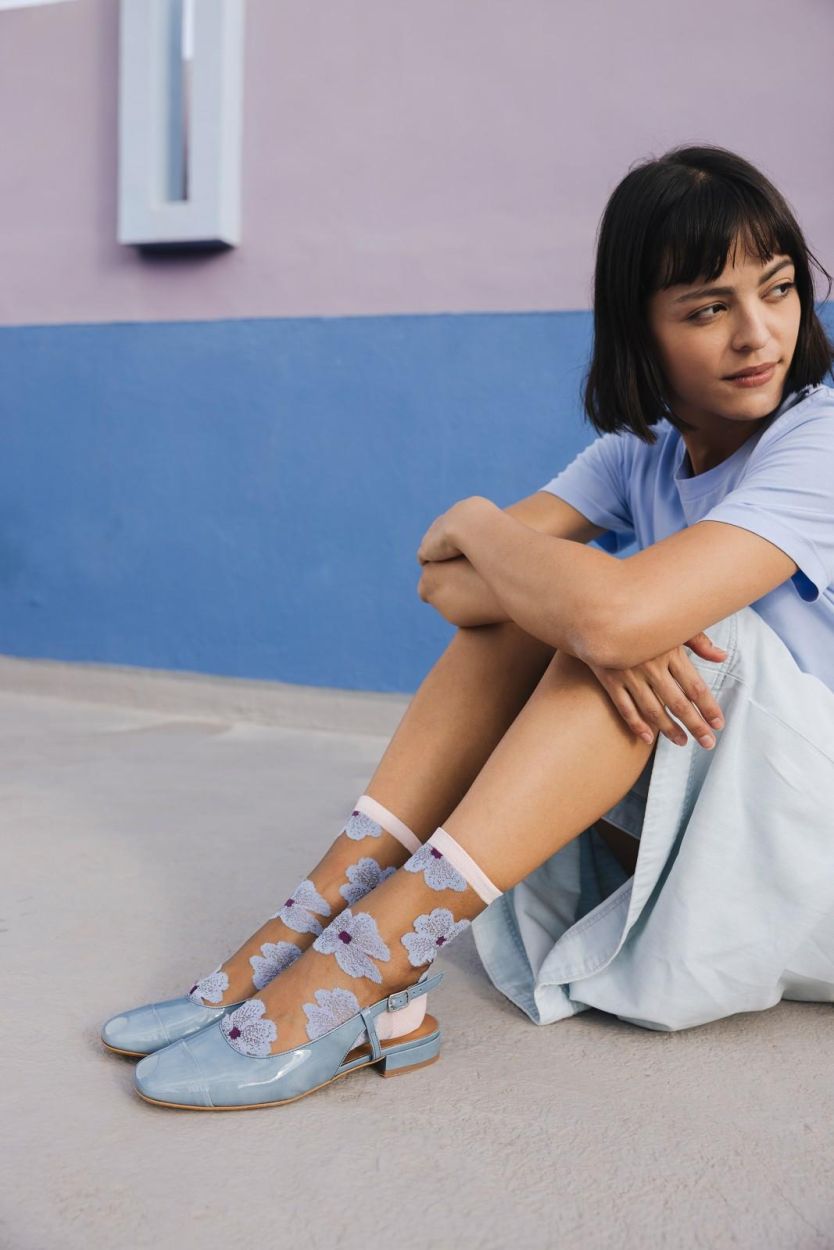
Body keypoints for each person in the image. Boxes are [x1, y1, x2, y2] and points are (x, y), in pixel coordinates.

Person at [101, 143, 834, 1110]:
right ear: (640, 331)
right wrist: (548, 579)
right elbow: (447, 586)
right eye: (708, 309)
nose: (758, 333)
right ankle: (316, 920)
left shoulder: (819, 438)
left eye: (778, 290)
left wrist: (489, 526)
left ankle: (372, 962)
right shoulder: (638, 456)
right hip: (719, 821)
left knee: (650, 620)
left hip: (809, 849)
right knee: (555, 608)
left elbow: (581, 602)